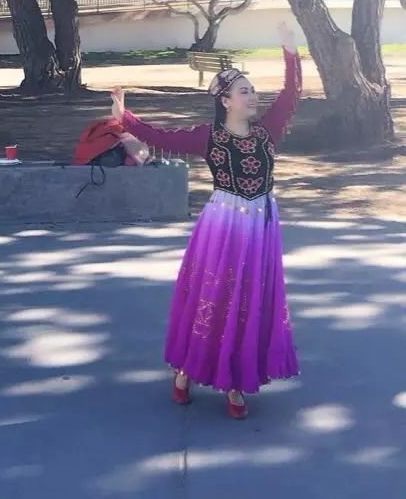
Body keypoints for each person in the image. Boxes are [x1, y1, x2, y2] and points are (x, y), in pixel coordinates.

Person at [110, 22, 302, 420]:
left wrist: (290, 50)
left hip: (262, 225)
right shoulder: (207, 137)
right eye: (244, 91)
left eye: (252, 90)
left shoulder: (269, 131)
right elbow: (160, 137)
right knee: (214, 300)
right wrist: (123, 116)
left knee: (250, 300)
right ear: (226, 101)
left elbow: (292, 93)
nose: (253, 96)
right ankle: (186, 370)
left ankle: (236, 380)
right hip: (224, 225)